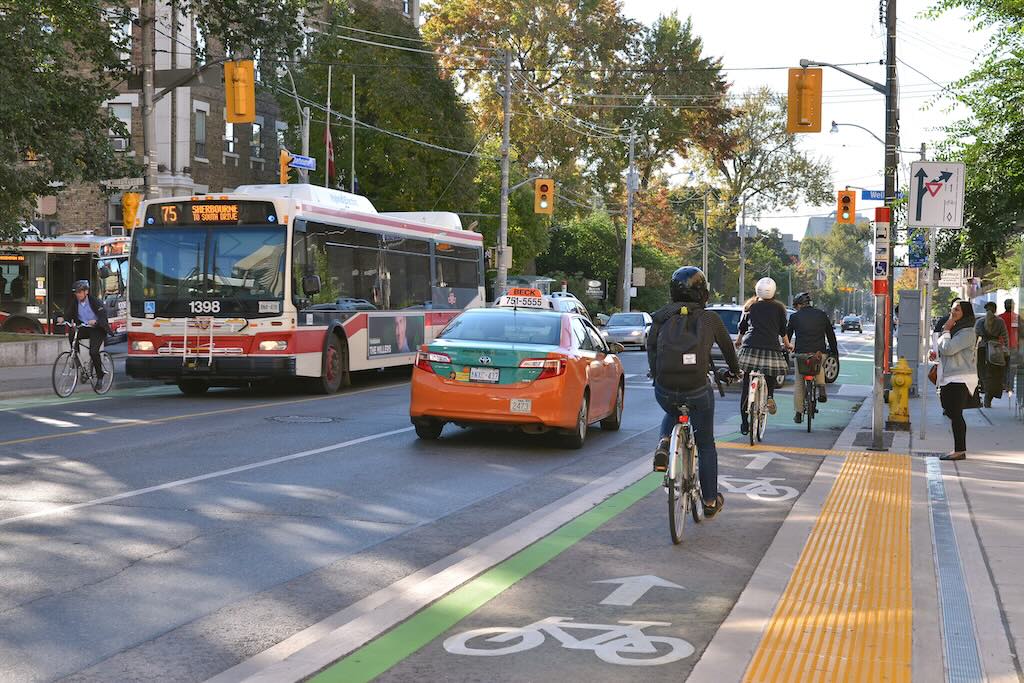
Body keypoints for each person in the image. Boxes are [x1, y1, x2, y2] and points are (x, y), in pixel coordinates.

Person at [649, 266, 740, 518]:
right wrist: (734, 371)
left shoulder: (660, 317)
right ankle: (710, 501)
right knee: (706, 444)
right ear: (703, 293)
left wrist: (655, 375)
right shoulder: (710, 319)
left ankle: (664, 443)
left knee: (672, 407)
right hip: (698, 390)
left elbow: (652, 350)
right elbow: (729, 351)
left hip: (665, 390)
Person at [734, 277, 788, 434]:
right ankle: (769, 395)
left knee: (746, 384)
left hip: (750, 346)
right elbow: (782, 330)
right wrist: (787, 344)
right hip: (771, 346)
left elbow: (743, 327)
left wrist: (738, 341)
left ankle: (744, 423)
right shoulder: (779, 308)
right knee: (770, 373)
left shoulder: (750, 305)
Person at [785, 291, 838, 423]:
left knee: (799, 383)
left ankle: (798, 412)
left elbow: (788, 335)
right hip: (819, 353)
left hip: (801, 353)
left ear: (798, 305)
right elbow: (830, 335)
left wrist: (786, 349)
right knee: (819, 361)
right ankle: (821, 386)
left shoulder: (794, 317)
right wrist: (834, 352)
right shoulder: (821, 315)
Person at [936, 301, 977, 461]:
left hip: (960, 377)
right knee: (951, 411)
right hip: (951, 375)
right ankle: (959, 449)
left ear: (965, 312)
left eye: (957, 309)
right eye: (952, 308)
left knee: (955, 413)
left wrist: (946, 329)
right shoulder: (957, 329)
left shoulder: (967, 332)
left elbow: (948, 348)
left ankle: (959, 450)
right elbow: (942, 347)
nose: (953, 311)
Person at [57, 280, 110, 384]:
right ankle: (77, 361)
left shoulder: (95, 301)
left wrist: (96, 321)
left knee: (93, 352)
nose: (78, 294)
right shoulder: (75, 302)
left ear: (86, 292)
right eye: (76, 292)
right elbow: (69, 313)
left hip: (97, 329)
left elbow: (103, 316)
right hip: (85, 327)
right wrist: (63, 318)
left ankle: (100, 376)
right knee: (73, 333)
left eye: (80, 292)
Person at [975, 301, 1008, 407]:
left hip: (982, 350)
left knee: (983, 373)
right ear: (995, 310)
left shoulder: (979, 322)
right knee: (996, 375)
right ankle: (989, 396)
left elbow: (974, 338)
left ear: (986, 310)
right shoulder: (1000, 322)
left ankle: (986, 390)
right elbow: (1005, 337)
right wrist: (1006, 349)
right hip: (996, 351)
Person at [999, 298, 1020, 392]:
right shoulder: (1017, 317)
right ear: (1013, 306)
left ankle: (1003, 384)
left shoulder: (999, 317)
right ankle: (1010, 386)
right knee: (1012, 367)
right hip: (1013, 345)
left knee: (1002, 366)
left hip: (1001, 346)